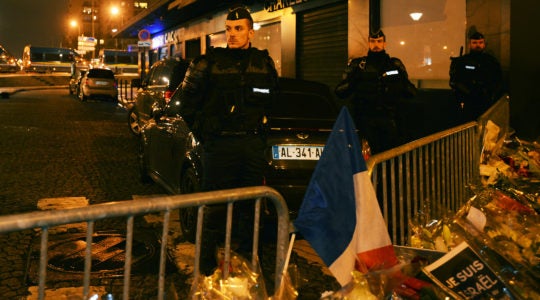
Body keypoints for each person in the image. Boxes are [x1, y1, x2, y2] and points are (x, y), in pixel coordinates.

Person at [170, 6, 279, 275]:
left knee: (251, 210)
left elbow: (273, 100)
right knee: (213, 211)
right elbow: (184, 104)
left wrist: (262, 133)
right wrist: (205, 133)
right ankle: (206, 270)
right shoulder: (207, 64)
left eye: (238, 29)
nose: (232, 34)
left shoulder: (263, 64)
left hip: (251, 147)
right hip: (219, 148)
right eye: (229, 29)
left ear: (250, 32)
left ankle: (249, 268)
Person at [335, 30, 416, 154]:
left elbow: (411, 91)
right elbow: (340, 91)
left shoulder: (394, 64)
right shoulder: (359, 65)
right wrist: (355, 79)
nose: (376, 44)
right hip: (364, 120)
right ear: (369, 43)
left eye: (379, 41)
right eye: (373, 41)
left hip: (390, 119)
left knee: (389, 155)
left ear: (384, 44)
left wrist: (398, 84)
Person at [449, 31, 504, 121]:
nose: (478, 45)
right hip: (467, 100)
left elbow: (498, 80)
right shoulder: (462, 62)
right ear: (469, 44)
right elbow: (454, 81)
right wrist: (469, 92)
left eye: (480, 42)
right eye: (474, 43)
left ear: (484, 44)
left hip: (486, 100)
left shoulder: (491, 61)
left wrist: (491, 93)